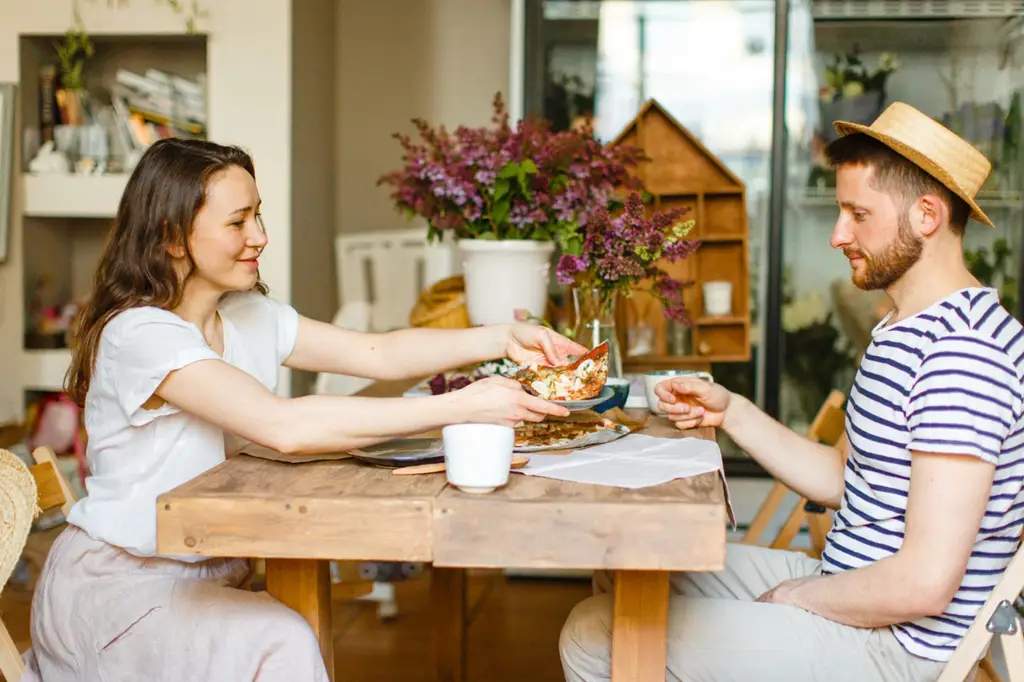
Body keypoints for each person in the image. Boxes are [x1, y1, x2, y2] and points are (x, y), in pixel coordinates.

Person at [25, 137, 584, 682]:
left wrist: (504, 336)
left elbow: (379, 352)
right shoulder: (139, 335)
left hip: (209, 574)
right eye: (238, 222)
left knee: (290, 634)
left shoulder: (246, 315)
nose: (260, 237)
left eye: (258, 216)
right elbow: (284, 426)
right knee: (285, 641)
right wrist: (460, 405)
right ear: (173, 236)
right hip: (120, 591)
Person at [559, 102, 1024, 681]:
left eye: (858, 214)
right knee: (629, 567)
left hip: (892, 645)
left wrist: (796, 597)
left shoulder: (963, 354)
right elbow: (846, 479)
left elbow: (924, 584)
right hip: (849, 590)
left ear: (926, 215)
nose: (838, 235)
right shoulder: (905, 327)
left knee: (595, 634)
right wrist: (732, 412)